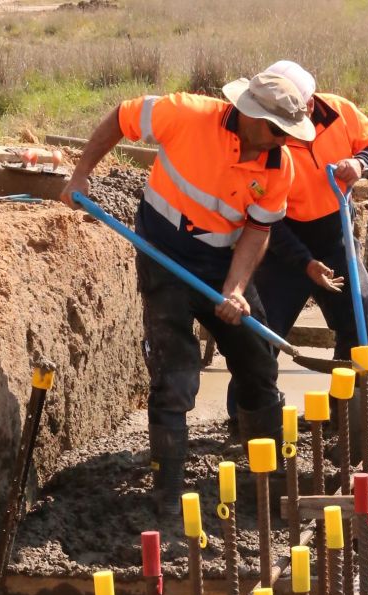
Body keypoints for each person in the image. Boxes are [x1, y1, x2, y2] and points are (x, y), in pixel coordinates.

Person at [61, 71, 314, 511]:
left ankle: (267, 483)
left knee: (258, 360)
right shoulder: (186, 115)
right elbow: (122, 118)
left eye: (288, 133)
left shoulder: (280, 165)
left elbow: (257, 232)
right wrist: (81, 173)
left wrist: (235, 290)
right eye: (277, 130)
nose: (282, 141)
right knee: (175, 373)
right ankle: (168, 492)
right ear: (250, 114)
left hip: (222, 263)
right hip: (164, 255)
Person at [253, 60, 368, 360]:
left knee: (359, 326)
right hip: (282, 243)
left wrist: (361, 163)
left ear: (310, 104)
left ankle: (344, 405)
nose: (281, 126)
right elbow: (260, 216)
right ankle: (249, 408)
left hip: (335, 237)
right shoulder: (263, 136)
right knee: (259, 339)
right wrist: (304, 261)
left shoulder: (340, 113)